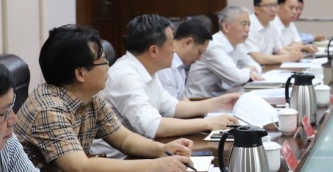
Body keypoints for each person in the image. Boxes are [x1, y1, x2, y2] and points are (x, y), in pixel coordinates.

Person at [14, 24, 193, 172]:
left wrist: (162, 150)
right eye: (103, 61)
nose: (108, 67)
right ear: (80, 73)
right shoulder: (48, 110)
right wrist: (154, 166)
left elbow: (124, 139)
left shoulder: (91, 96)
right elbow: (81, 170)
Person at [102, 14, 241, 139]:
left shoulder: (147, 70)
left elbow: (173, 107)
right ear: (153, 50)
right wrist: (207, 123)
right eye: (171, 44)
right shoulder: (125, 76)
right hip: (121, 156)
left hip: (145, 147)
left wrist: (220, 102)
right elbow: (152, 126)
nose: (175, 49)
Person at [186, 5, 266, 97]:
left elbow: (255, 65)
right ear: (226, 27)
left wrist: (249, 72)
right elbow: (237, 78)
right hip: (201, 100)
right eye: (243, 25)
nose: (248, 29)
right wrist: (248, 70)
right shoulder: (214, 46)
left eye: (249, 25)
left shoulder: (237, 43)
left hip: (222, 96)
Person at [247, 0, 304, 66]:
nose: (273, 10)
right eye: (268, 6)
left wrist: (295, 56)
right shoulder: (248, 25)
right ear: (256, 9)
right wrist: (288, 57)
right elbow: (258, 58)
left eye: (275, 5)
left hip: (265, 68)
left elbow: (278, 50)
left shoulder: (271, 23)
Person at [158, 17, 210, 98]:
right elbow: (171, 105)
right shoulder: (165, 65)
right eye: (199, 52)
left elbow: (181, 98)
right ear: (187, 43)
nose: (199, 58)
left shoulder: (180, 64)